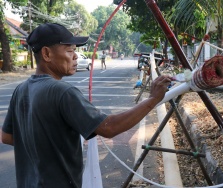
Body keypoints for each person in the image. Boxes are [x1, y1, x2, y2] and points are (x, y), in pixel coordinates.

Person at [1, 23, 172, 188]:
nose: (75, 57)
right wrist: (153, 99)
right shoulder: (62, 92)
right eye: (70, 51)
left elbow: (7, 137)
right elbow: (109, 127)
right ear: (46, 54)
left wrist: (45, 144)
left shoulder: (21, 89)